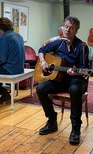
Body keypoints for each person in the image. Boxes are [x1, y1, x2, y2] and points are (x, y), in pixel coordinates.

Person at [36, 16, 89, 145]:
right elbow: (42, 50)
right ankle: (52, 120)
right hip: (59, 79)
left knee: (75, 89)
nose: (67, 30)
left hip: (76, 80)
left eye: (71, 28)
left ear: (76, 30)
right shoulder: (59, 42)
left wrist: (74, 71)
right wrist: (43, 61)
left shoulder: (82, 46)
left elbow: (84, 69)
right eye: (66, 27)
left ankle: (75, 128)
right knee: (40, 88)